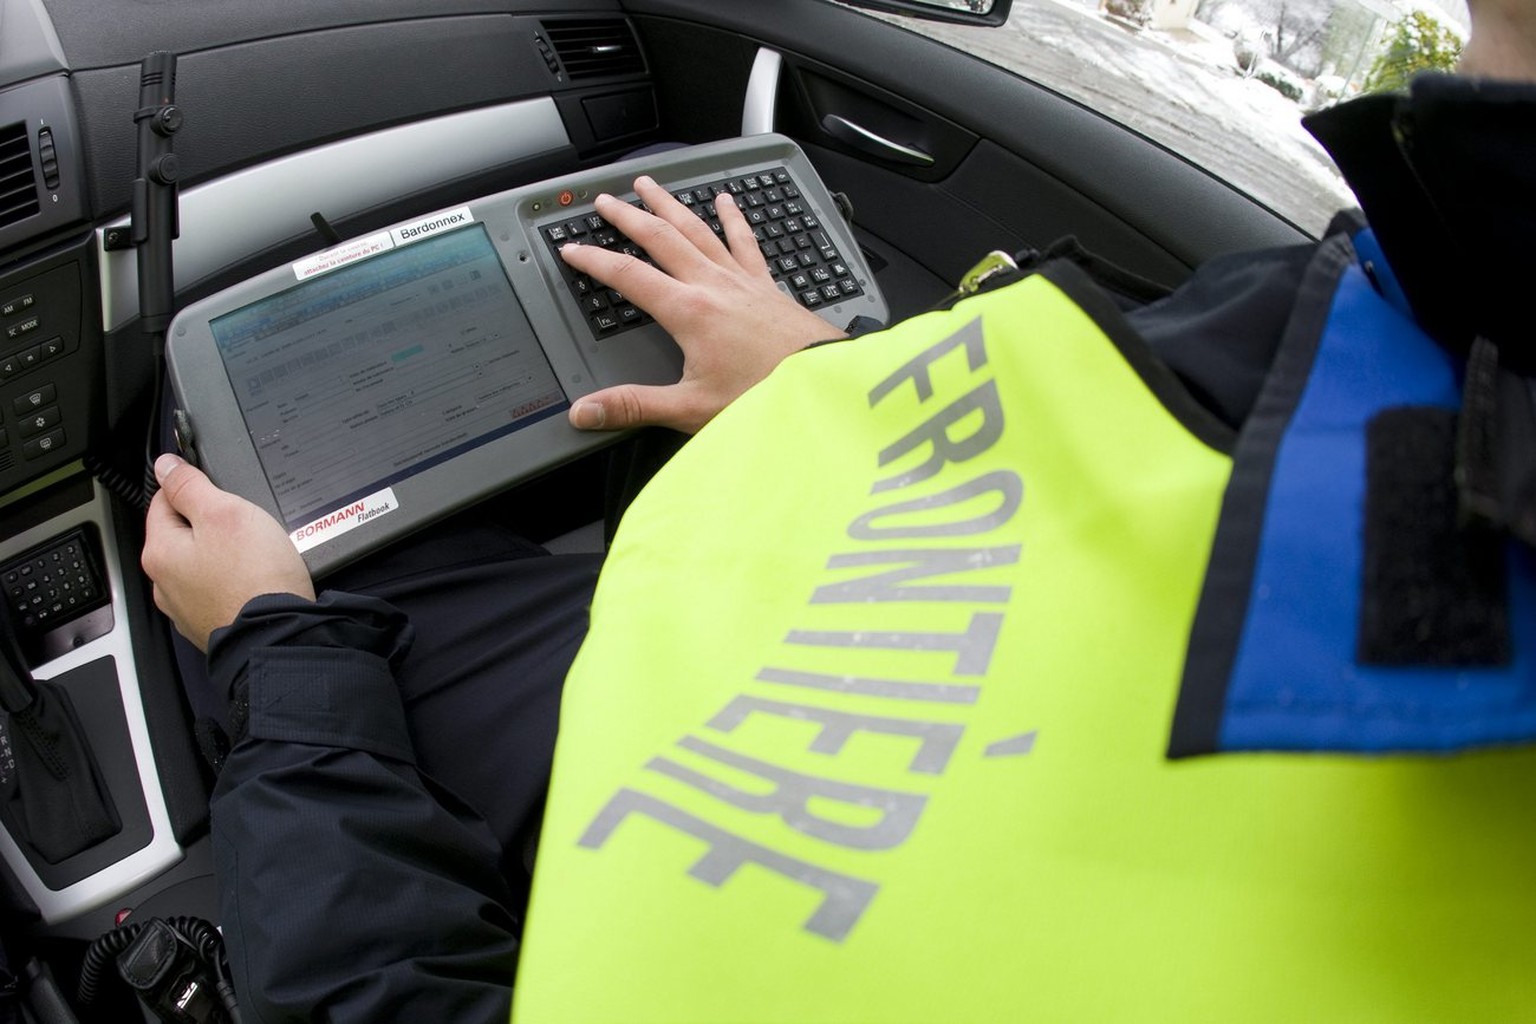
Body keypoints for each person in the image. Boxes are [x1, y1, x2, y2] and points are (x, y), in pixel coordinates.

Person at [141, 0, 1536, 1016]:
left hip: (697, 813)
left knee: (352, 597)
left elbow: (374, 998)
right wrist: (828, 385)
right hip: (858, 667)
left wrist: (274, 649)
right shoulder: (1429, 300)